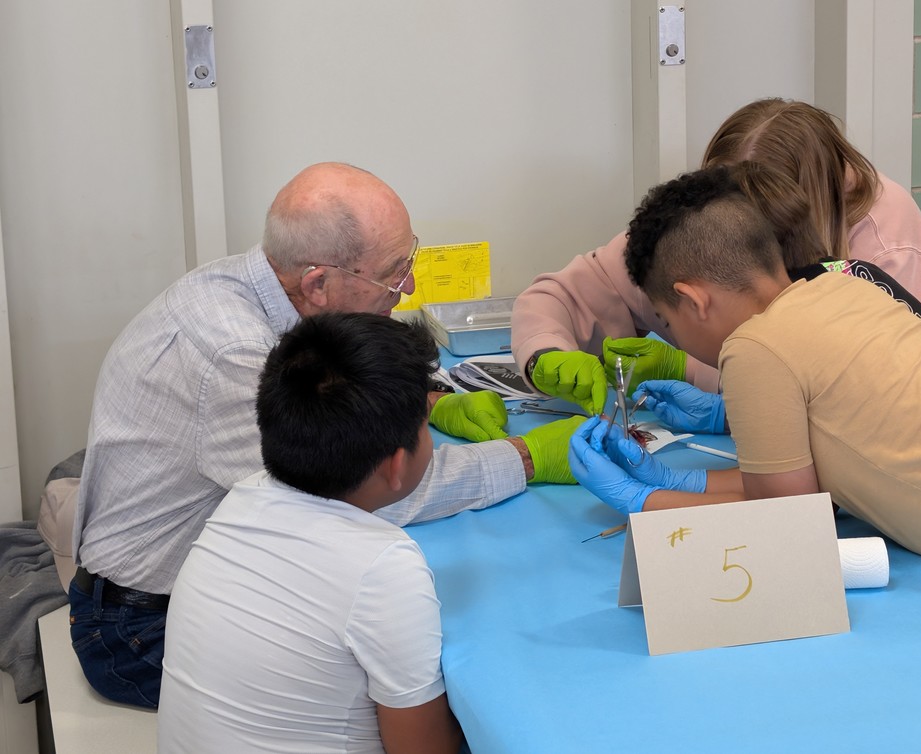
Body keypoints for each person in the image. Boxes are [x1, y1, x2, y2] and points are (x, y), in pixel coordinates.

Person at [70, 162, 581, 708]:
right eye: (393, 273)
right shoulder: (233, 354)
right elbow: (354, 492)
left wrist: (433, 402)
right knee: (439, 695)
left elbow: (333, 393)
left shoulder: (257, 285)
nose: (406, 289)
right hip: (138, 627)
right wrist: (526, 458)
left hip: (199, 587)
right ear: (318, 283)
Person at [568, 163, 921, 576]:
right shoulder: (847, 289)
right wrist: (682, 480)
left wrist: (642, 502)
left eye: (667, 322)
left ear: (693, 300)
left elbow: (788, 524)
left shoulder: (754, 347)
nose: (673, 336)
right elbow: (810, 478)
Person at [511, 97, 921, 416]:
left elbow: (860, 403)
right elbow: (564, 295)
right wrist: (544, 355)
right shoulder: (705, 225)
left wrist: (691, 369)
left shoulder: (886, 248)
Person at [159, 312, 464, 753]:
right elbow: (424, 749)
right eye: (426, 422)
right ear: (396, 465)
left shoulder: (243, 499)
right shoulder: (382, 568)